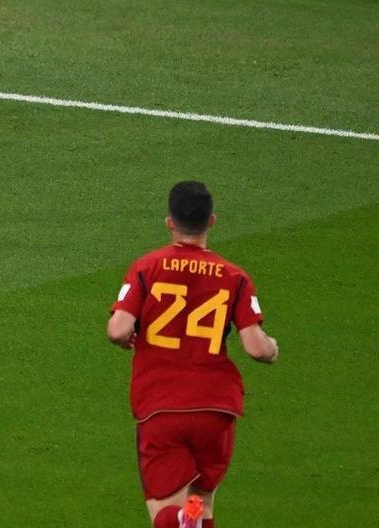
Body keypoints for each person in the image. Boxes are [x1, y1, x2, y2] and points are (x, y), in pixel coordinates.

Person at [107, 181, 279, 528]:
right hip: (217, 409)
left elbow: (118, 330)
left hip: (162, 405)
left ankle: (182, 520)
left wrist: (130, 337)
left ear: (169, 221)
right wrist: (273, 348)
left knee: (166, 515)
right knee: (202, 503)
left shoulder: (147, 266)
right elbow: (256, 347)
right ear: (211, 221)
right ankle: (191, 518)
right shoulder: (235, 276)